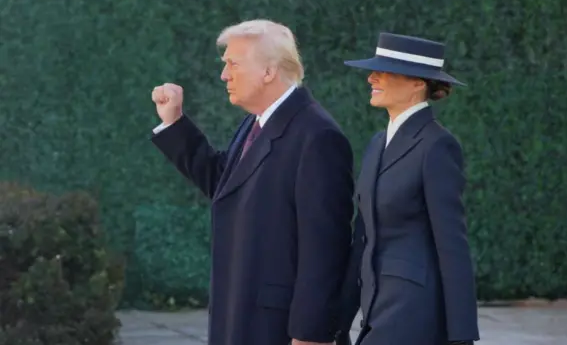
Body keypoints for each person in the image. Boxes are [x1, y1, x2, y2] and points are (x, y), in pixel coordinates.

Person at [150, 19, 355, 345]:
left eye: (233, 64)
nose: (224, 75)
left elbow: (325, 249)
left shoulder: (318, 136)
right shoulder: (256, 123)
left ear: (269, 71)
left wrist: (311, 335)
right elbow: (225, 182)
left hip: (279, 328)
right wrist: (174, 123)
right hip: (243, 317)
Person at [336, 32, 480, 345]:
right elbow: (363, 235)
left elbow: (452, 243)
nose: (371, 78)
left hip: (413, 308)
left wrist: (461, 335)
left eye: (384, 71)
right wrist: (338, 319)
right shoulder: (377, 144)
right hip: (375, 304)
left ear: (418, 83)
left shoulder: (438, 145)